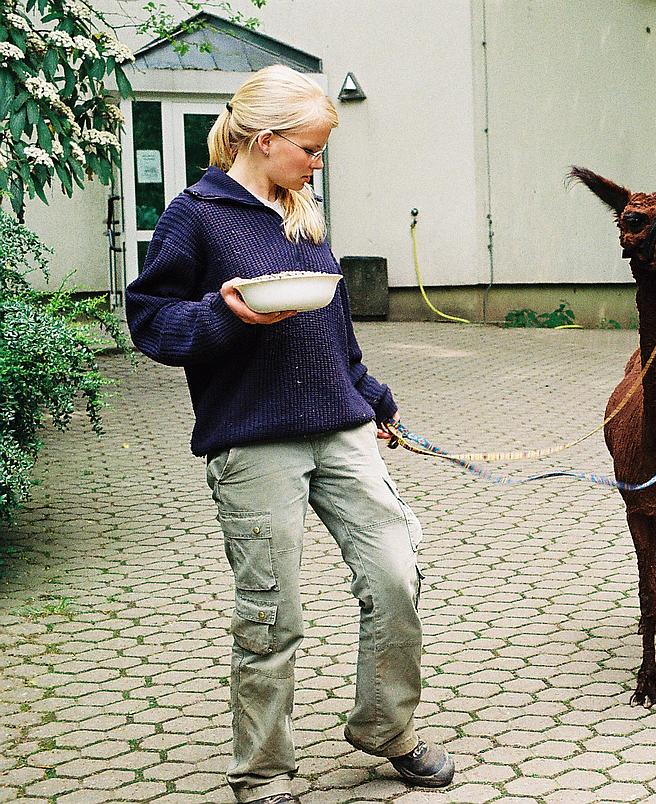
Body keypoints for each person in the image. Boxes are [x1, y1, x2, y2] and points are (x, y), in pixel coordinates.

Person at [125, 65, 453, 803]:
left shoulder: (302, 211)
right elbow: (150, 322)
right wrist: (222, 313)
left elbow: (331, 330)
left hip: (339, 427)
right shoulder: (196, 215)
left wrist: (371, 395)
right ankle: (264, 774)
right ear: (265, 140)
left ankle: (385, 727)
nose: (318, 162)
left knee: (396, 573)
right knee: (273, 613)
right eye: (310, 147)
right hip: (254, 438)